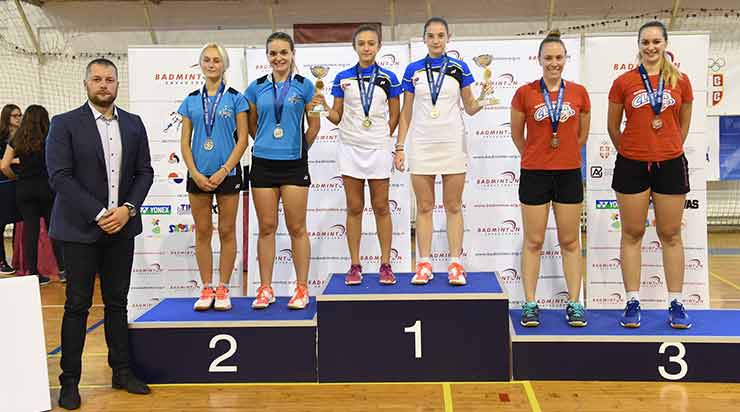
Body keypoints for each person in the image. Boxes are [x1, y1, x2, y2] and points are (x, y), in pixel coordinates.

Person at [46, 58, 154, 410]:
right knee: (77, 305)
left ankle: (121, 371)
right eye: (97, 79)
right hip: (79, 231)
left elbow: (145, 173)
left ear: (117, 84)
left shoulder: (135, 125)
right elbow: (60, 177)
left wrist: (127, 210)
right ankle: (70, 382)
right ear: (85, 84)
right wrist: (98, 213)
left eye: (110, 79)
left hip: (122, 228)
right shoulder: (64, 124)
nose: (104, 85)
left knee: (117, 303)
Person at [607, 21, 694, 329]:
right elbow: (612, 127)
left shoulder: (680, 81)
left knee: (671, 234)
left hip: (669, 163)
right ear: (639, 45)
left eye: (657, 41)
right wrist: (632, 150)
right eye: (646, 41)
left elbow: (683, 124)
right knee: (632, 233)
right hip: (631, 164)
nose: (651, 46)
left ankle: (676, 302)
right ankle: (632, 300)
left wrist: (668, 146)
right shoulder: (623, 82)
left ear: (665, 43)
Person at [396, 17, 491, 286]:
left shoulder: (459, 68)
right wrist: (400, 146)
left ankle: (455, 264)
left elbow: (470, 107)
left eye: (440, 35)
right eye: (431, 36)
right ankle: (424, 264)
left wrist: (484, 98)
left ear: (448, 37)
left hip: (451, 144)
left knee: (452, 206)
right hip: (423, 145)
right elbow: (406, 112)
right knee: (424, 207)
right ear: (424, 39)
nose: (436, 40)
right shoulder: (413, 70)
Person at [510, 30, 591, 327]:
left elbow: (581, 135)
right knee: (534, 240)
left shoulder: (579, 93)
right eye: (549, 58)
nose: (554, 63)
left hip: (569, 172)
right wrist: (534, 155)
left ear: (565, 59)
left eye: (559, 57)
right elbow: (517, 133)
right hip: (534, 173)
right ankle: (530, 304)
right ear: (539, 59)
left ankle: (574, 303)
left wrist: (564, 153)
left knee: (570, 240)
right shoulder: (525, 93)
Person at [316, 24, 401, 285]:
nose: (366, 48)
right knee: (354, 208)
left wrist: (382, 137)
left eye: (371, 43)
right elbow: (337, 116)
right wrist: (324, 106)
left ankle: (385, 264)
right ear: (355, 47)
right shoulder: (343, 78)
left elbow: (396, 113)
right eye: (361, 43)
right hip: (350, 147)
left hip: (377, 148)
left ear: (378, 47)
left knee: (381, 207)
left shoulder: (389, 78)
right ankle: (355, 265)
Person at [245, 32, 320, 310]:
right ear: (267, 57)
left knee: (297, 227)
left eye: (283, 53)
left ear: (292, 55)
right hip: (263, 164)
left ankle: (301, 288)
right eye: (273, 53)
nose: (278, 58)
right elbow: (251, 124)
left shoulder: (305, 86)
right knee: (266, 228)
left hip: (294, 164)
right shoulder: (255, 88)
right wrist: (267, 143)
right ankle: (265, 288)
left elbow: (314, 126)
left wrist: (298, 149)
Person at [180, 43, 249, 311]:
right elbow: (185, 143)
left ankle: (223, 288)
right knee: (204, 232)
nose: (211, 64)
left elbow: (242, 140)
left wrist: (223, 171)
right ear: (201, 64)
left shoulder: (235, 98)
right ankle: (206, 286)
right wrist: (195, 173)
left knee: (227, 231)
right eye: (207, 60)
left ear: (224, 65)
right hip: (197, 175)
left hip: (227, 173)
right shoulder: (191, 100)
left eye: (216, 60)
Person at [1, 105, 66, 285]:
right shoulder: (51, 138)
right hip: (47, 188)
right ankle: (63, 270)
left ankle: (34, 274)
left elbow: (4, 166)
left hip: (24, 189)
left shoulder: (17, 139)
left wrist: (17, 177)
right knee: (54, 229)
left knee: (31, 231)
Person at [0, 104, 21, 275]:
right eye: (15, 115)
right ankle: (1, 261)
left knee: (18, 223)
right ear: (7, 117)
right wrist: (12, 162)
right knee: (1, 223)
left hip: (17, 184)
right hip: (3, 184)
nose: (19, 118)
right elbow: (3, 164)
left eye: (20, 115)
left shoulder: (22, 136)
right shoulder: (1, 138)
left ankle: (17, 258)